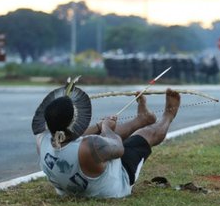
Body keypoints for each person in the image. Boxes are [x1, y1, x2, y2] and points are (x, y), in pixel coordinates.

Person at [31, 83, 180, 198]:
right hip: (115, 185)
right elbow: (118, 148)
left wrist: (99, 126)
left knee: (98, 142)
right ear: (74, 122)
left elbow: (73, 136)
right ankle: (168, 115)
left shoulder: (41, 140)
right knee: (145, 134)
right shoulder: (90, 146)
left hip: (77, 182)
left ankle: (141, 119)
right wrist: (107, 128)